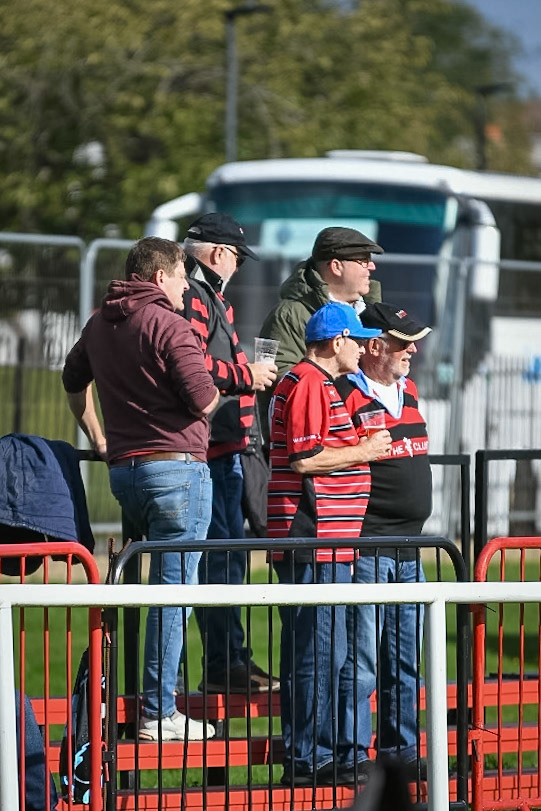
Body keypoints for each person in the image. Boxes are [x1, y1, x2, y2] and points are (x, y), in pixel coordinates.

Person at [62, 236, 220, 741]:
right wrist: (223, 387)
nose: (185, 286)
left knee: (151, 592)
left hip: (125, 473)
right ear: (159, 278)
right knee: (173, 594)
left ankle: (141, 704)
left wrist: (100, 437)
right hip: (176, 470)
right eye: (180, 275)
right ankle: (158, 712)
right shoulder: (170, 324)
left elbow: (71, 380)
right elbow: (202, 401)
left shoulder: (100, 322)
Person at [268, 301, 392, 786]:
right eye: (357, 340)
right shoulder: (308, 382)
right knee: (317, 653)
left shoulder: (317, 384)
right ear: (337, 341)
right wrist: (363, 450)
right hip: (313, 539)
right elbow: (305, 459)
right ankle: (308, 760)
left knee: (327, 650)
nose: (363, 349)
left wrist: (359, 442)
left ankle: (318, 754)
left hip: (328, 542)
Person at [181, 213, 279, 695]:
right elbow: (192, 363)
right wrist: (248, 376)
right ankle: (223, 664)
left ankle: (232, 659)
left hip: (225, 449)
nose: (238, 266)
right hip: (214, 452)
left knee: (229, 560)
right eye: (237, 257)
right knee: (221, 563)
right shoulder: (196, 297)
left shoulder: (205, 295)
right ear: (219, 253)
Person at [334, 302, 432, 778]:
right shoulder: (344, 392)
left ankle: (403, 754)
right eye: (402, 342)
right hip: (369, 545)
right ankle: (353, 755)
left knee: (405, 659)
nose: (411, 349)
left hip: (410, 546)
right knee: (363, 660)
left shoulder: (409, 389)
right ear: (374, 346)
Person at [258, 226, 383, 442]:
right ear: (336, 266)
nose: (371, 267)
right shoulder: (288, 314)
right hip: (312, 447)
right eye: (363, 260)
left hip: (363, 444)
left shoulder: (372, 312)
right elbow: (274, 378)